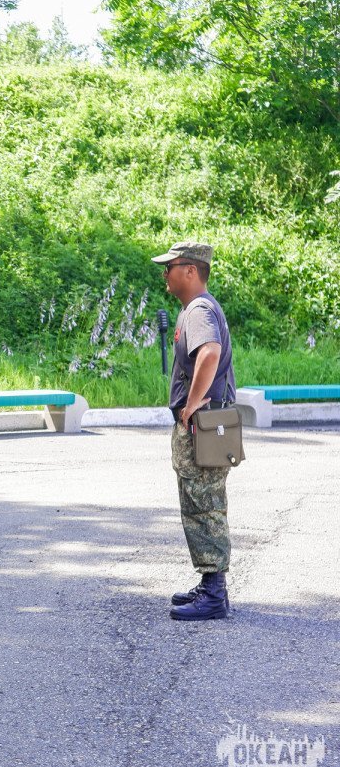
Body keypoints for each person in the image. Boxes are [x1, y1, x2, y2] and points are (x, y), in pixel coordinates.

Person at [154, 241, 237, 622]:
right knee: (202, 502)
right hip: (209, 424)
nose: (165, 274)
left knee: (204, 505)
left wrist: (191, 404)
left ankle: (214, 594)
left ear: (190, 270)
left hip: (202, 426)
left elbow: (210, 352)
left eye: (169, 267)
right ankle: (210, 584)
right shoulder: (199, 307)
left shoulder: (199, 310)